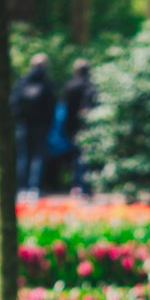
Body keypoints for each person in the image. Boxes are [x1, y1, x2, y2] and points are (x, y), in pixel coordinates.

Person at [10, 53, 56, 198]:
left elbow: (13, 103)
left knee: (23, 156)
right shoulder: (46, 83)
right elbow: (51, 107)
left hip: (23, 124)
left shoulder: (22, 82)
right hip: (41, 125)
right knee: (38, 157)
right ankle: (34, 188)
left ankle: (22, 188)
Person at [63, 58, 96, 196]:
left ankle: (76, 185)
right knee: (86, 157)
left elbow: (66, 109)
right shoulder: (92, 86)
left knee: (75, 157)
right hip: (88, 127)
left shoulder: (70, 86)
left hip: (73, 127)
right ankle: (85, 186)